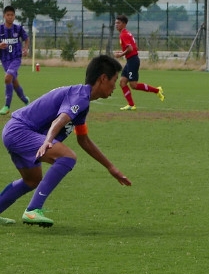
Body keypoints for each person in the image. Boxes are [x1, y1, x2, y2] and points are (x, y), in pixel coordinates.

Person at [0, 55, 131, 227]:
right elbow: (60, 120)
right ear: (103, 78)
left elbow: (84, 140)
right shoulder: (80, 97)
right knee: (67, 156)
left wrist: (110, 167)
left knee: (32, 180)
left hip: (15, 131)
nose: (115, 86)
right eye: (114, 80)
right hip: (20, 131)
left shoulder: (82, 99)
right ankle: (33, 210)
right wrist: (48, 140)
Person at [113, 15, 164, 111]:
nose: (116, 25)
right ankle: (131, 105)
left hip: (133, 60)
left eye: (118, 23)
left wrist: (120, 54)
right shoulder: (126, 33)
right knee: (122, 82)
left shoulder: (124, 34)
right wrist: (122, 53)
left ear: (124, 24)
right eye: (116, 23)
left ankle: (157, 90)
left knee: (134, 85)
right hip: (130, 60)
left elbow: (130, 49)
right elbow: (132, 48)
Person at [0, 5, 31, 115]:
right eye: (8, 15)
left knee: (8, 78)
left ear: (14, 16)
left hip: (16, 58)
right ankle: (25, 100)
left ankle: (7, 106)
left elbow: (26, 39)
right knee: (14, 82)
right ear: (4, 16)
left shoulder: (18, 28)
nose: (10, 17)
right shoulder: (0, 29)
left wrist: (25, 49)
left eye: (12, 15)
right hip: (4, 59)